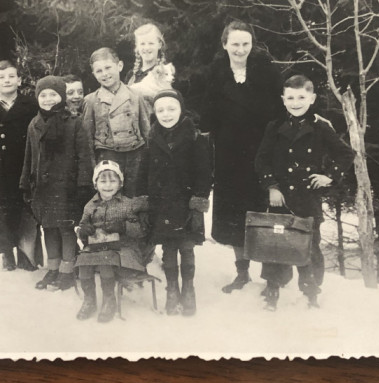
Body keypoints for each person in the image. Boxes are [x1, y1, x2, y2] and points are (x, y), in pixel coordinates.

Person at [187, 21, 284, 293]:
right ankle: (242, 273)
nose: (240, 50)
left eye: (246, 44)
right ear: (224, 45)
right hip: (229, 157)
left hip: (262, 154)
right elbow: (205, 116)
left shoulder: (267, 72)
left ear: (252, 45)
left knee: (263, 214)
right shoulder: (215, 74)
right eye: (235, 44)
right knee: (235, 217)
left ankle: (273, 279)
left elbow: (282, 111)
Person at [255, 75, 355, 310]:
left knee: (309, 244)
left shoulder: (321, 127)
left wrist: (329, 176)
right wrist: (271, 187)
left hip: (307, 198)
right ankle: (273, 287)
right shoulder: (275, 126)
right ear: (283, 99)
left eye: (301, 97)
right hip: (279, 198)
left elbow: (345, 154)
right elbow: (262, 160)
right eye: (290, 97)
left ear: (312, 99)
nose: (296, 102)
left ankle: (311, 291)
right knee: (275, 243)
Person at [20, 76, 94, 291]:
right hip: (42, 188)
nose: (48, 99)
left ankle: (67, 271)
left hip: (66, 188)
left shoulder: (74, 122)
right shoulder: (34, 124)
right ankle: (53, 269)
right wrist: (25, 183)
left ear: (62, 96)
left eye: (53, 94)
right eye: (43, 95)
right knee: (49, 228)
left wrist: (83, 186)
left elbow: (84, 156)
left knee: (65, 228)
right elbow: (29, 157)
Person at [145, 89, 212, 316]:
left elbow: (205, 172)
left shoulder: (195, 137)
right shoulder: (152, 137)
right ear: (154, 113)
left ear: (181, 110)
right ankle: (172, 289)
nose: (166, 114)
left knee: (186, 246)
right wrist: (145, 199)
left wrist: (199, 198)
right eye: (160, 110)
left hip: (187, 204)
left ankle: (189, 289)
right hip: (162, 203)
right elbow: (146, 172)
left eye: (171, 109)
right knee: (169, 248)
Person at [0, 60, 38, 271]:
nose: (7, 80)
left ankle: (25, 252)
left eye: (11, 76)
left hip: (23, 164)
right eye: (1, 77)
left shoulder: (30, 104)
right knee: (1, 209)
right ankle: (6, 252)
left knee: (24, 207)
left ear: (19, 80)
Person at [74, 161, 149, 323]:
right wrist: (83, 232)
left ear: (120, 183)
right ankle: (89, 300)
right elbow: (81, 228)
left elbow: (139, 231)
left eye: (113, 181)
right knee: (82, 263)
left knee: (105, 261)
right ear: (95, 184)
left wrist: (124, 226)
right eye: (103, 181)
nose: (108, 185)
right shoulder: (90, 206)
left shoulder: (127, 205)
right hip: (98, 246)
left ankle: (109, 300)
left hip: (123, 249)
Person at [82, 47, 150, 197]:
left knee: (135, 197)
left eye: (108, 67)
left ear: (119, 66)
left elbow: (147, 131)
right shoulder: (91, 100)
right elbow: (87, 139)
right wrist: (93, 168)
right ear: (93, 74)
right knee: (110, 199)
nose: (105, 74)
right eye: (99, 71)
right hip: (107, 156)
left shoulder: (136, 96)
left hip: (135, 156)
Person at [126, 23, 171, 114]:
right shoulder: (131, 74)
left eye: (151, 43)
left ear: (159, 44)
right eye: (142, 44)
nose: (146, 48)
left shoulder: (164, 73)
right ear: (137, 46)